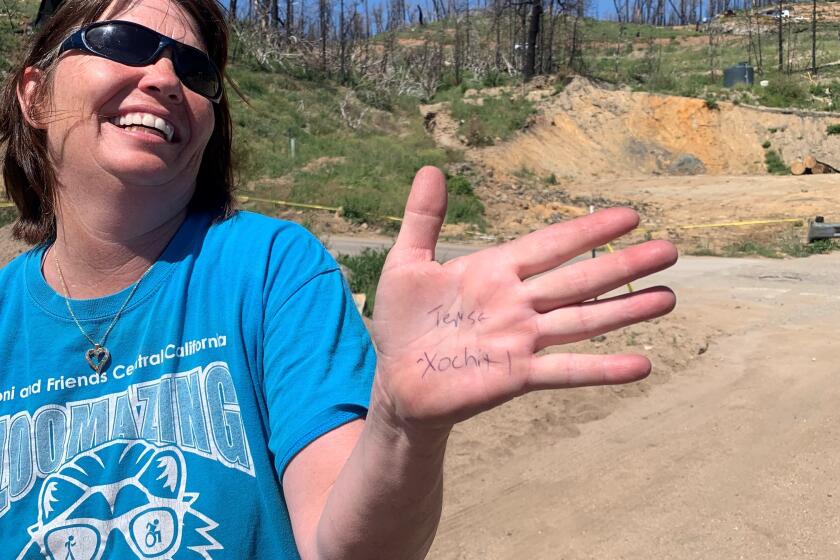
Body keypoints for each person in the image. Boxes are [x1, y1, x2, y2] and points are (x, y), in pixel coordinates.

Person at [0, 0, 678, 558]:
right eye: (123, 39)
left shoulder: (271, 268)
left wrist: (403, 429)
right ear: (33, 93)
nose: (165, 76)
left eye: (196, 68)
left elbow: (340, 545)